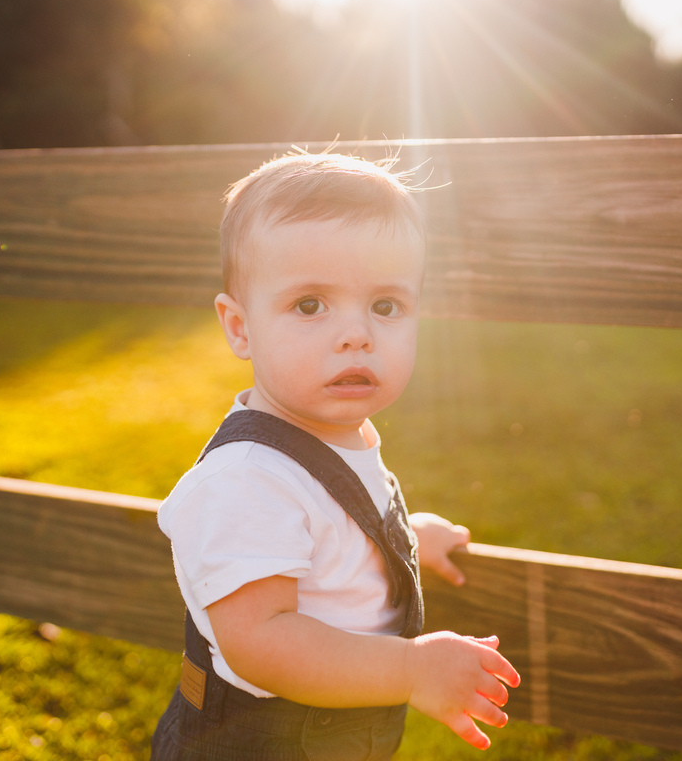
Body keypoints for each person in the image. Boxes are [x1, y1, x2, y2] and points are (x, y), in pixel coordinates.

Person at [152, 152, 519, 761]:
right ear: (239, 328)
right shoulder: (247, 479)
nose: (357, 334)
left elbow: (328, 526)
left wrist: (394, 541)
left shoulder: (335, 435)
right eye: (310, 305)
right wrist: (410, 670)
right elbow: (261, 642)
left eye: (386, 306)